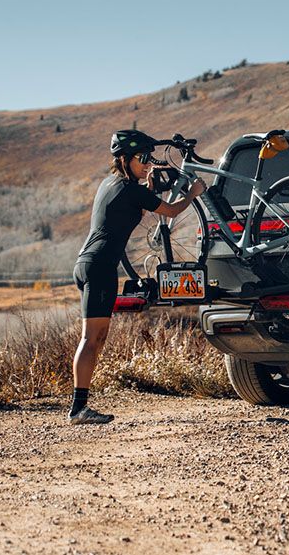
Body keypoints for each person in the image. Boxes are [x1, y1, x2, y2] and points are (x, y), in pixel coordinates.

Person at [69, 129, 206, 425]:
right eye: (142, 158)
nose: (148, 163)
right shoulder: (131, 190)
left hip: (91, 263)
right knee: (91, 339)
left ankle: (80, 405)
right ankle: (78, 408)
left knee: (98, 337)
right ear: (124, 158)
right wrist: (192, 194)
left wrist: (149, 184)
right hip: (100, 266)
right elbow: (169, 212)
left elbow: (134, 209)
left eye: (149, 158)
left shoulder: (112, 184)